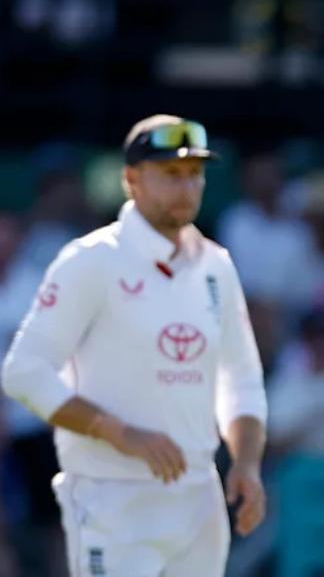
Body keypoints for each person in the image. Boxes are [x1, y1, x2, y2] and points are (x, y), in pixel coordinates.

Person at [2, 114, 268, 575]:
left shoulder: (216, 266)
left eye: (194, 175)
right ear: (132, 180)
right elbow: (24, 373)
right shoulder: (90, 262)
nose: (186, 187)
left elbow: (240, 377)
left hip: (198, 499)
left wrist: (246, 463)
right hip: (113, 496)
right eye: (170, 175)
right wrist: (119, 433)